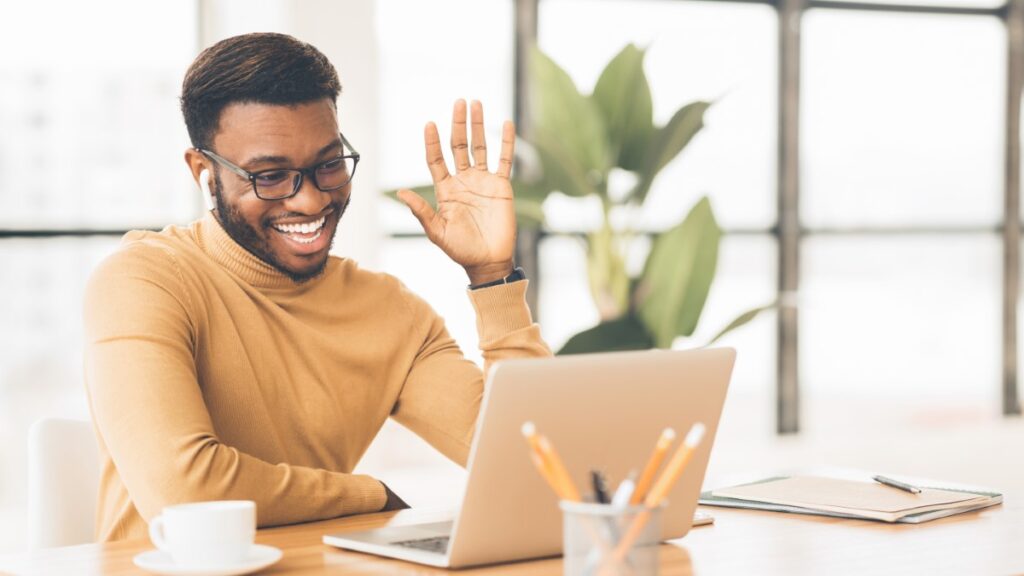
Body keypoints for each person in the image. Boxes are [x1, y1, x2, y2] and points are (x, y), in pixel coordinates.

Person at [83, 32, 550, 542]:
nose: (309, 202)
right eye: (271, 176)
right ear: (205, 173)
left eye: (328, 165)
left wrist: (493, 277)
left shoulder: (387, 311)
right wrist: (368, 496)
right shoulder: (143, 282)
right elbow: (185, 493)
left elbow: (534, 465)